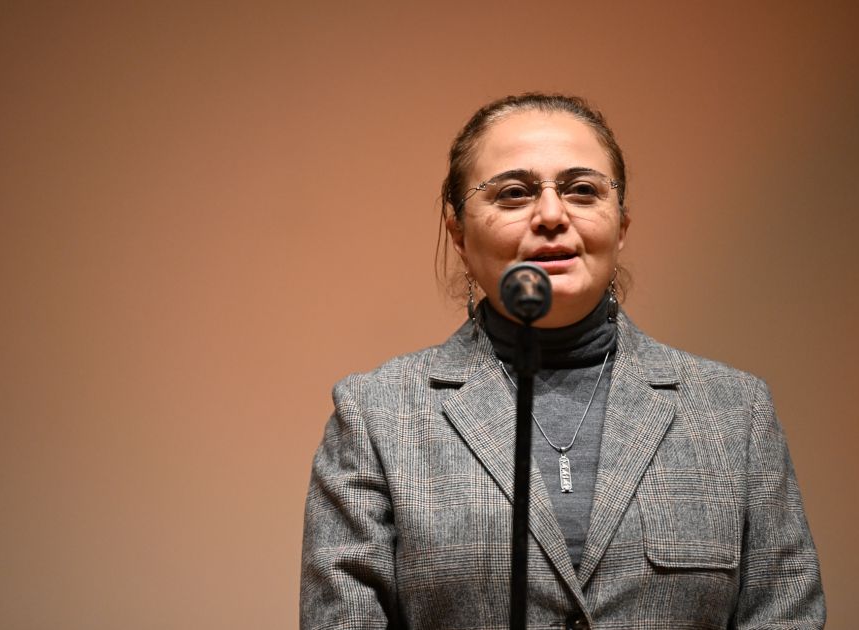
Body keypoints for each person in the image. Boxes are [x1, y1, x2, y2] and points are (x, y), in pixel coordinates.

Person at [300, 93, 825, 629]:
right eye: (513, 193)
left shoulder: (734, 411)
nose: (552, 215)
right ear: (459, 234)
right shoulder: (376, 415)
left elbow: (785, 616)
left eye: (582, 190)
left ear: (621, 225)